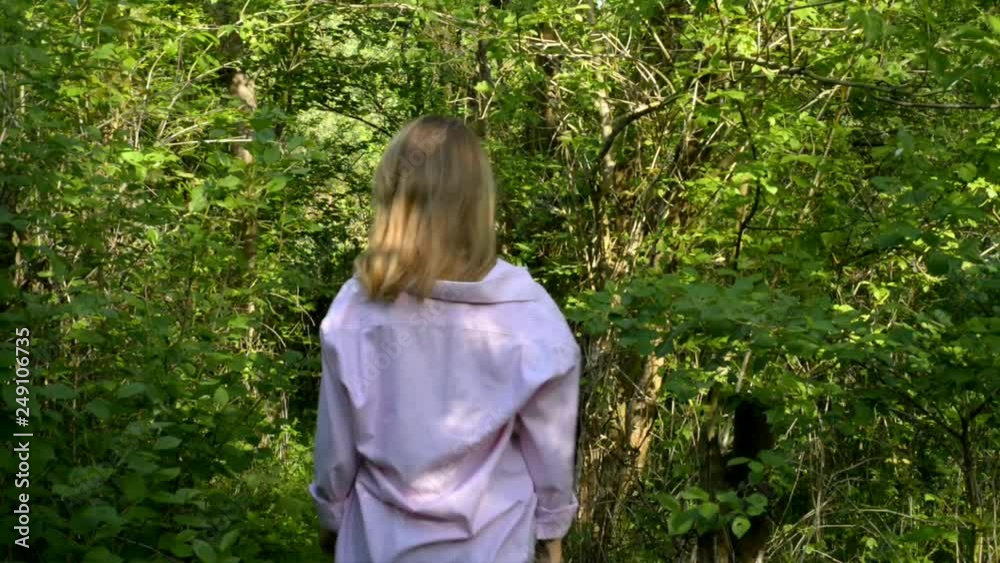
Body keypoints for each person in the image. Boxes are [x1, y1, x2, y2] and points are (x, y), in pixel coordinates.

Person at [309, 115, 582, 563]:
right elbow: (549, 455)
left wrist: (331, 517)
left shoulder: (358, 308)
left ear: (394, 194)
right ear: (477, 201)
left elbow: (336, 452)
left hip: (377, 545)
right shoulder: (529, 315)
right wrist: (552, 532)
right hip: (493, 547)